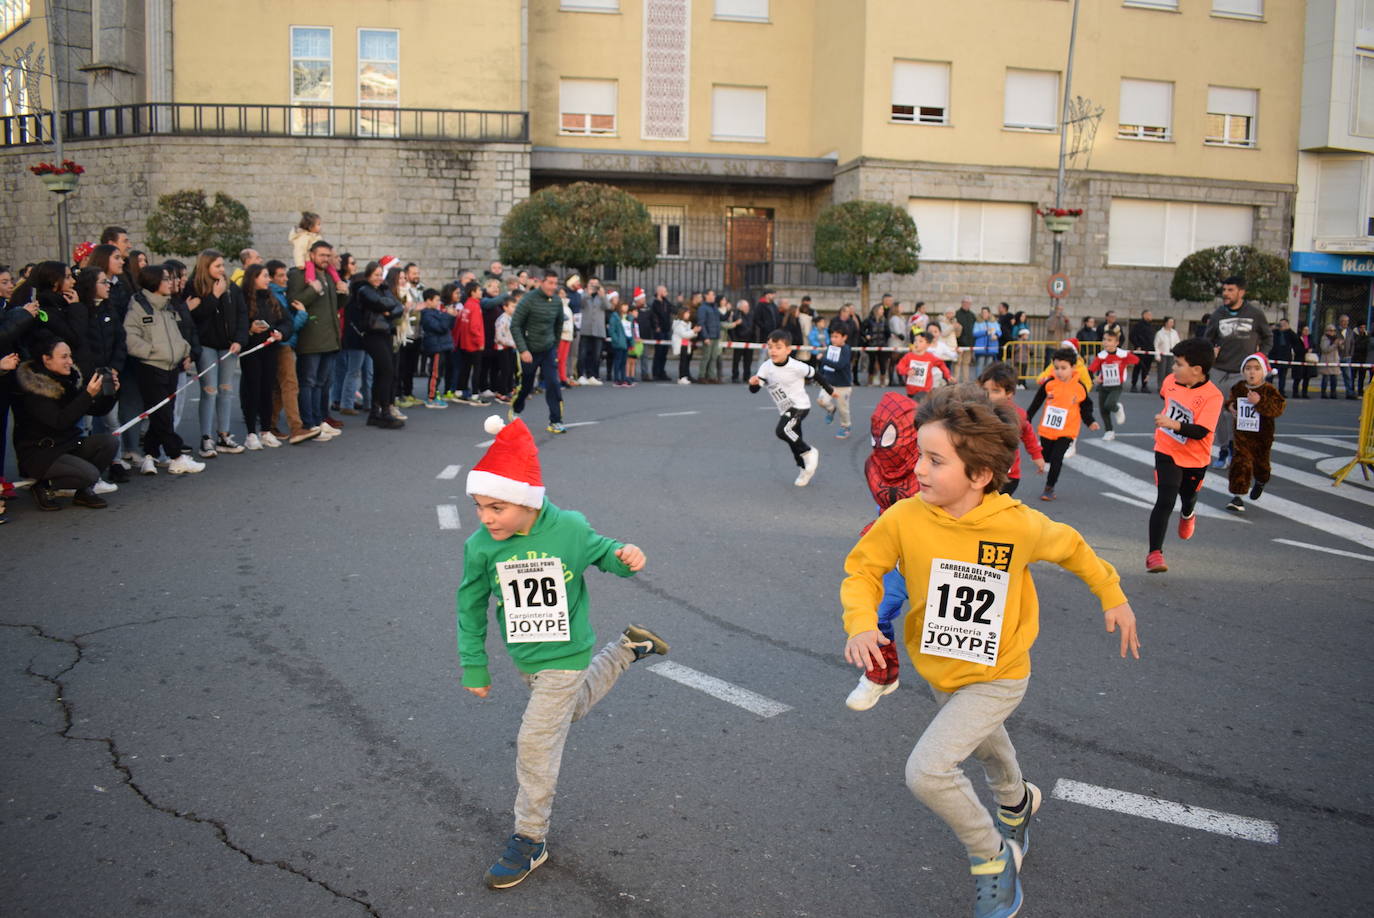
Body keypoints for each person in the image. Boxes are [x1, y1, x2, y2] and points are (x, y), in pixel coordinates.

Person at [840, 384, 1139, 918]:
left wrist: (1112, 594)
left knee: (928, 771)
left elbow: (1071, 548)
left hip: (999, 672)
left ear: (978, 475)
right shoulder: (906, 517)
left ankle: (992, 858)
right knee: (985, 747)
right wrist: (862, 622)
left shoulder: (1016, 524)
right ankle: (1017, 802)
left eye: (935, 460)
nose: (920, 470)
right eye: (919, 456)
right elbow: (863, 568)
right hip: (941, 668)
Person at [457, 414, 667, 890]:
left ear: (528, 504)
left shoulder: (568, 528)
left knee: (536, 741)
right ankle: (627, 650)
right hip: (527, 660)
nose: (486, 518)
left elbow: (604, 552)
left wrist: (626, 555)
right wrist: (475, 662)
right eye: (478, 506)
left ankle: (529, 839)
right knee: (563, 715)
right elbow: (469, 604)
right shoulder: (481, 547)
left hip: (568, 653)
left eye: (496, 507)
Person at [844, 391, 922, 711]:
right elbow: (888, 506)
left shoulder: (935, 461)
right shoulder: (874, 466)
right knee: (876, 611)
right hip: (895, 552)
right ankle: (881, 674)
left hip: (938, 555)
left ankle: (974, 688)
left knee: (945, 628)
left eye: (888, 433)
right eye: (878, 434)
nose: (881, 442)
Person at [12, 335, 127, 509]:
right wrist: (87, 395)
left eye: (70, 356)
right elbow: (59, 421)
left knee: (109, 442)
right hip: (41, 452)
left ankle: (83, 492)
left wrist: (111, 393)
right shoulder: (34, 388)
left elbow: (96, 410)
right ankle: (44, 486)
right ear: (46, 359)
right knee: (90, 474)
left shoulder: (68, 379)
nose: (70, 361)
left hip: (68, 444)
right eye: (64, 357)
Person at [1146, 338, 1223, 573]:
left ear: (1197, 370)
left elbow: (1200, 432)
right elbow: (1167, 399)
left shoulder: (1213, 396)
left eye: (1178, 364)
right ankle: (1155, 554)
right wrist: (1166, 424)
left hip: (1195, 458)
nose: (1173, 368)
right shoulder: (1171, 381)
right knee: (1166, 499)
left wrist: (1173, 424)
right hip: (1167, 448)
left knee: (1188, 497)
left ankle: (1188, 514)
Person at [124, 266, 206, 474]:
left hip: (172, 367)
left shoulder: (168, 306)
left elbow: (176, 334)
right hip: (151, 368)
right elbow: (131, 338)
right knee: (163, 414)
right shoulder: (139, 306)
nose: (171, 283)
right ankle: (176, 455)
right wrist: (152, 352)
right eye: (166, 279)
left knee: (160, 414)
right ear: (154, 282)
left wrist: (184, 350)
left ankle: (149, 456)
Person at [749, 329, 834, 487]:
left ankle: (809, 451)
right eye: (770, 346)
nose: (773, 351)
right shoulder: (766, 367)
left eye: (778, 347)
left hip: (800, 406)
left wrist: (830, 390)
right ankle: (804, 469)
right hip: (786, 409)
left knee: (782, 431)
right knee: (793, 441)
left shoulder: (797, 366)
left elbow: (815, 374)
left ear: (788, 350)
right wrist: (752, 384)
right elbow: (755, 389)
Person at [1202, 276, 1272, 468]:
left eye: (1230, 290)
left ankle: (1237, 449)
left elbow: (1267, 337)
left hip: (1242, 372)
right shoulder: (1217, 314)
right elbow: (1207, 339)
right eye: (1224, 289)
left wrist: (1259, 359)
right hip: (1219, 370)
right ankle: (1224, 448)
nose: (1225, 293)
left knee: (1236, 413)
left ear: (1241, 292)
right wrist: (1210, 352)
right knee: (1218, 412)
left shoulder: (1255, 314)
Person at [188, 249, 247, 457]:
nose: (222, 270)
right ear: (206, 267)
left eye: (223, 265)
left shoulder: (232, 287)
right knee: (209, 390)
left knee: (225, 390)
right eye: (217, 266)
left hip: (229, 346)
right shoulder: (194, 286)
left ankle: (224, 434)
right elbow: (196, 316)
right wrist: (214, 295)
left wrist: (240, 340)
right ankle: (206, 438)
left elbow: (242, 314)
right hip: (206, 346)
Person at [288, 241, 347, 440]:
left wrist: (343, 293)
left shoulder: (329, 275)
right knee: (308, 381)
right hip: (311, 338)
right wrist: (312, 290)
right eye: (321, 255)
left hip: (329, 337)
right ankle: (309, 423)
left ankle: (319, 419)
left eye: (327, 255)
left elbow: (334, 306)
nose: (325, 259)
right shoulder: (299, 274)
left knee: (322, 382)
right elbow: (295, 301)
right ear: (311, 254)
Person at [1026, 346, 1098, 501]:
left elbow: (1086, 406)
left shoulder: (1079, 387)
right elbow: (1037, 402)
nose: (1060, 371)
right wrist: (1028, 416)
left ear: (1072, 367)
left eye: (1064, 368)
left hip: (1067, 430)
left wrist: (1090, 421)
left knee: (1057, 458)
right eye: (1056, 368)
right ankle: (1046, 464)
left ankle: (1049, 488)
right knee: (1046, 457)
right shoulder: (1049, 384)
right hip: (1047, 429)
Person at [264, 260, 319, 444]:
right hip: (282, 344)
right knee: (290, 384)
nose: (285, 279)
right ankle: (296, 428)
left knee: (280, 388)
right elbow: (287, 326)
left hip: (284, 343)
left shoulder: (280, 294)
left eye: (285, 275)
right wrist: (302, 314)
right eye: (280, 276)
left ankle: (270, 425)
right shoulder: (275, 296)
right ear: (271, 278)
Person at [237, 264, 290, 449]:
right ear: (253, 278)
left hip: (270, 350)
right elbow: (237, 325)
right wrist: (250, 329)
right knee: (252, 391)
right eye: (265, 276)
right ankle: (251, 433)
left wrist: (280, 332)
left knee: (267, 390)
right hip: (251, 351)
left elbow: (286, 321)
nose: (268, 280)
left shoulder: (271, 298)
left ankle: (266, 430)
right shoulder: (242, 298)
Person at [1224, 353, 1285, 513]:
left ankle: (1261, 481)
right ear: (1243, 371)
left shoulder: (1269, 390)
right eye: (1248, 368)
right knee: (1240, 464)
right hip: (1242, 435)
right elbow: (1230, 401)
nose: (1252, 372)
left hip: (1262, 436)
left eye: (1257, 369)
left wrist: (1259, 402)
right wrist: (1230, 406)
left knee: (1261, 465)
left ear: (1263, 372)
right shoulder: (1239, 388)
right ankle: (1237, 497)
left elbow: (1278, 409)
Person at [509, 271, 567, 434]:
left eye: (555, 284)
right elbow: (515, 326)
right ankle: (516, 409)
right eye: (550, 283)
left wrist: (554, 347)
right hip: (530, 349)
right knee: (526, 385)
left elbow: (558, 326)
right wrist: (523, 350)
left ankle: (555, 420)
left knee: (553, 383)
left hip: (548, 349)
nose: (553, 287)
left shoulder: (556, 301)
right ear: (542, 282)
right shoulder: (529, 299)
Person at [979, 361, 1045, 497]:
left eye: (995, 391)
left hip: (1008, 476)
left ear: (1009, 393)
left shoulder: (1017, 414)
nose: (989, 395)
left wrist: (1037, 455)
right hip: (982, 471)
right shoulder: (978, 410)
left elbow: (1028, 435)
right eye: (985, 390)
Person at [353, 261, 404, 429]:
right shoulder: (364, 290)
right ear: (368, 275)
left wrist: (389, 310)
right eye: (376, 275)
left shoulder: (383, 289)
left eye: (380, 275)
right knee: (386, 370)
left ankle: (376, 412)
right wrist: (388, 307)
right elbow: (381, 304)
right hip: (372, 334)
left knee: (382, 373)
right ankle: (384, 411)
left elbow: (398, 307)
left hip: (385, 332)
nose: (379, 278)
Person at [1087, 328, 1137, 442]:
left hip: (1116, 385)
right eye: (1104, 339)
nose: (1106, 342)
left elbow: (1138, 361)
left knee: (1109, 404)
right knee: (1103, 410)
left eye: (1109, 340)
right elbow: (1090, 370)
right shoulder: (1101, 356)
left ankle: (1118, 408)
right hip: (1103, 385)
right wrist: (1094, 379)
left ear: (1116, 343)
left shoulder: (1123, 355)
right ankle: (1109, 431)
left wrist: (1146, 374)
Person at [453, 280, 489, 405]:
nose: (481, 292)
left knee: (465, 368)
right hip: (473, 344)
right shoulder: (475, 306)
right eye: (479, 290)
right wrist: (480, 341)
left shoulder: (467, 305)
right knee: (477, 369)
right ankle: (474, 395)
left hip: (465, 343)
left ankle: (459, 392)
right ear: (473, 292)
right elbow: (474, 327)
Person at [419, 287, 455, 409]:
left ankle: (435, 395)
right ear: (428, 301)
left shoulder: (437, 312)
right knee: (435, 373)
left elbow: (449, 326)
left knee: (440, 373)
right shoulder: (427, 314)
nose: (438, 303)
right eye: (436, 300)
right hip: (436, 347)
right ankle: (431, 397)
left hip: (442, 346)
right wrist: (448, 316)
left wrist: (451, 316)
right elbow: (441, 328)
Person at [817, 324, 853, 438]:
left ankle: (845, 426)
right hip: (829, 383)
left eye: (836, 336)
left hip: (843, 385)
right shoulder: (830, 348)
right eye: (832, 336)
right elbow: (824, 365)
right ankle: (831, 409)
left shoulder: (846, 350)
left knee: (843, 409)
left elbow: (839, 365)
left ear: (844, 337)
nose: (833, 339)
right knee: (821, 401)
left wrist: (823, 359)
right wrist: (821, 376)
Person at [894, 331, 952, 402]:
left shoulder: (930, 357)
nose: (917, 343)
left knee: (919, 407)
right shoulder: (908, 356)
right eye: (915, 340)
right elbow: (899, 366)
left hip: (925, 391)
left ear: (927, 345)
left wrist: (948, 375)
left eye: (920, 341)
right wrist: (907, 371)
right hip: (911, 391)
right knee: (913, 409)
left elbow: (941, 364)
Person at [577, 277, 608, 385]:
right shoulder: (583, 294)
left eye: (596, 284)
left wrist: (603, 296)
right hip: (586, 328)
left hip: (598, 329)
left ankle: (593, 375)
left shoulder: (602, 296)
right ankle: (581, 374)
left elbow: (608, 307)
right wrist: (588, 294)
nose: (594, 285)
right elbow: (580, 304)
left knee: (596, 354)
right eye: (591, 283)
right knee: (583, 353)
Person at [606, 295, 634, 387]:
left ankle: (623, 378)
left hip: (626, 341)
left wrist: (631, 342)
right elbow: (612, 330)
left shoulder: (628, 317)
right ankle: (617, 379)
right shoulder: (615, 317)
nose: (626, 307)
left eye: (626, 306)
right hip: (619, 342)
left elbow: (630, 330)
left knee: (623, 362)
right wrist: (616, 340)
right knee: (618, 361)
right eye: (624, 305)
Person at [696, 289, 723, 383]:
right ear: (706, 296)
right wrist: (705, 337)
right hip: (708, 336)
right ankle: (701, 376)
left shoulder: (714, 307)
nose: (713, 297)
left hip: (715, 336)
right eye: (712, 295)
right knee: (706, 357)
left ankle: (711, 376)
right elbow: (701, 323)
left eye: (714, 295)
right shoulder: (703, 308)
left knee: (713, 357)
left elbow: (718, 321)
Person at [726, 298, 754, 383]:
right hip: (739, 340)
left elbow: (753, 327)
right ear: (740, 307)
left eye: (748, 306)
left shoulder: (751, 314)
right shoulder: (736, 315)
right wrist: (734, 339)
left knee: (748, 360)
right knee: (736, 360)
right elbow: (732, 329)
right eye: (745, 306)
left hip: (749, 340)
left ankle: (747, 376)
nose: (747, 308)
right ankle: (735, 376)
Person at [649, 285, 674, 381]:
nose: (666, 293)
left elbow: (671, 309)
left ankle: (662, 372)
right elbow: (653, 316)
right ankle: (656, 372)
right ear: (660, 292)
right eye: (665, 291)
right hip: (659, 330)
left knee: (664, 353)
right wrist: (656, 327)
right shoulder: (654, 303)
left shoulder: (666, 302)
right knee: (658, 352)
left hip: (666, 329)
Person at [1128, 309, 1156, 392]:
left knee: (1146, 369)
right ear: (1144, 315)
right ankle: (1133, 385)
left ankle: (1144, 386)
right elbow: (1132, 336)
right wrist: (1137, 345)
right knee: (1137, 367)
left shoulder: (1151, 326)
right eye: (1149, 315)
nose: (1151, 317)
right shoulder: (1138, 325)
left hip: (1149, 351)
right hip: (1140, 350)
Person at [1154, 316, 1181, 393]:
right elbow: (1156, 345)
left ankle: (1169, 386)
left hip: (1171, 354)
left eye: (1173, 322)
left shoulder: (1174, 332)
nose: (1172, 324)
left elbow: (1178, 342)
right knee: (1161, 371)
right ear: (1166, 323)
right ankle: (1161, 387)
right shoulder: (1160, 333)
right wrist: (1157, 355)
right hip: (1163, 354)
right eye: (1170, 322)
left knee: (1170, 372)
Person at [672, 305, 697, 384]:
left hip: (686, 344)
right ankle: (681, 377)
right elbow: (684, 334)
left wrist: (694, 332)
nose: (688, 315)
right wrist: (694, 331)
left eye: (688, 313)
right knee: (682, 361)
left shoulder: (688, 323)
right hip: (681, 345)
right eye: (686, 313)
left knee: (685, 361)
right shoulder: (679, 324)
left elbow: (689, 334)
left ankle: (684, 376)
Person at [954, 296, 977, 383]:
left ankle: (965, 381)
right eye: (965, 303)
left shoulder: (972, 315)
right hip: (959, 343)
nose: (967, 305)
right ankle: (955, 381)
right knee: (957, 363)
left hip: (969, 344)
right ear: (962, 303)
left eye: (969, 303)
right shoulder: (957, 314)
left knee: (966, 363)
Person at [972, 306, 1001, 373]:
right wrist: (985, 332)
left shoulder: (994, 322)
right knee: (980, 365)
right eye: (982, 312)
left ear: (989, 313)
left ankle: (987, 381)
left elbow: (999, 331)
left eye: (985, 312)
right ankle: (979, 381)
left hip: (991, 347)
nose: (984, 314)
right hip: (981, 347)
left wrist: (996, 335)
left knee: (989, 367)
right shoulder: (977, 323)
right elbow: (975, 333)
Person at [1318, 324, 1342, 399]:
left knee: (1334, 379)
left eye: (1334, 331)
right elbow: (1325, 349)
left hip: (1335, 361)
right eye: (1331, 330)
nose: (1333, 332)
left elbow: (1341, 349)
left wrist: (1340, 344)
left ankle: (1333, 393)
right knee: (1325, 378)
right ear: (1327, 331)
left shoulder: (1336, 338)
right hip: (1327, 361)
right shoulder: (1324, 339)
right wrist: (1334, 344)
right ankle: (1323, 393)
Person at [1352, 323, 1370, 396]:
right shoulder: (1354, 335)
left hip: (1363, 359)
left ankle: (1360, 391)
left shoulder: (1367, 336)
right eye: (1361, 328)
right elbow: (1355, 345)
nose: (1363, 329)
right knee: (1352, 376)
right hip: (1354, 358)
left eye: (1364, 328)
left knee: (1362, 377)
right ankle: (1352, 391)